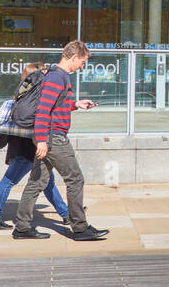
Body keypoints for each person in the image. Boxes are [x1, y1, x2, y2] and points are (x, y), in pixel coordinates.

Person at [12, 40, 110, 241]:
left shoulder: (57, 76)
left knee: (37, 182)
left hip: (48, 136)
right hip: (53, 137)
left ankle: (22, 227)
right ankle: (80, 228)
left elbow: (54, 106)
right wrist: (41, 141)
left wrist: (75, 104)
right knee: (75, 179)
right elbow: (42, 111)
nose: (82, 66)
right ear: (73, 57)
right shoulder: (57, 78)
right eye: (82, 62)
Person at [0, 65, 71, 230]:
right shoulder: (33, 98)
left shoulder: (22, 95)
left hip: (23, 147)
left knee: (47, 182)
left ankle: (66, 214)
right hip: (27, 150)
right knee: (9, 181)